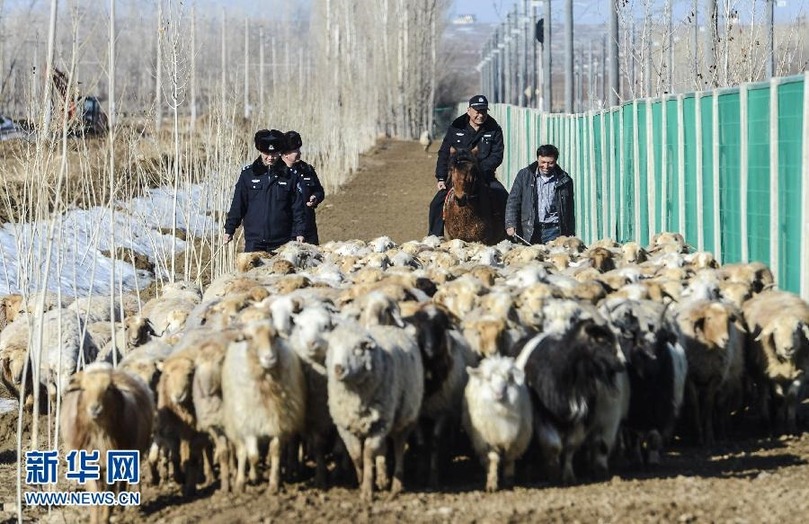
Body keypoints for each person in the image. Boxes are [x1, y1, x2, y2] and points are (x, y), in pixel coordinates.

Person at [428, 94, 508, 237]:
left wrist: (479, 169)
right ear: (469, 110)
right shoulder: (456, 127)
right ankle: (435, 237)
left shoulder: (494, 129)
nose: (480, 115)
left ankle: (508, 234)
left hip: (484, 175)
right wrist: (440, 178)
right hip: (457, 176)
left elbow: (497, 155)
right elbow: (444, 153)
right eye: (477, 111)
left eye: (483, 111)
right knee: (436, 204)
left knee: (504, 197)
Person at [223, 128, 306, 252]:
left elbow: (298, 207)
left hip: (282, 243)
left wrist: (300, 231)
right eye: (266, 154)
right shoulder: (248, 175)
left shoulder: (290, 176)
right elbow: (238, 205)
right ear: (260, 151)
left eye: (274, 154)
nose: (270, 158)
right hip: (254, 242)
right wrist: (229, 230)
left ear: (280, 152)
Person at [505, 144, 575, 245]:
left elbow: (569, 211)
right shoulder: (524, 176)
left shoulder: (565, 180)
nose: (546, 166)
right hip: (530, 230)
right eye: (543, 162)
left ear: (556, 161)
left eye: (550, 163)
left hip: (554, 231)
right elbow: (513, 201)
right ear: (538, 159)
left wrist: (570, 234)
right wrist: (510, 224)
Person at [280, 130, 325, 245]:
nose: (299, 153)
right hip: (287, 231)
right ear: (286, 153)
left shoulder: (306, 169)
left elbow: (319, 190)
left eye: (299, 149)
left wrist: (315, 197)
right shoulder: (277, 173)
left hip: (308, 227)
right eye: (296, 150)